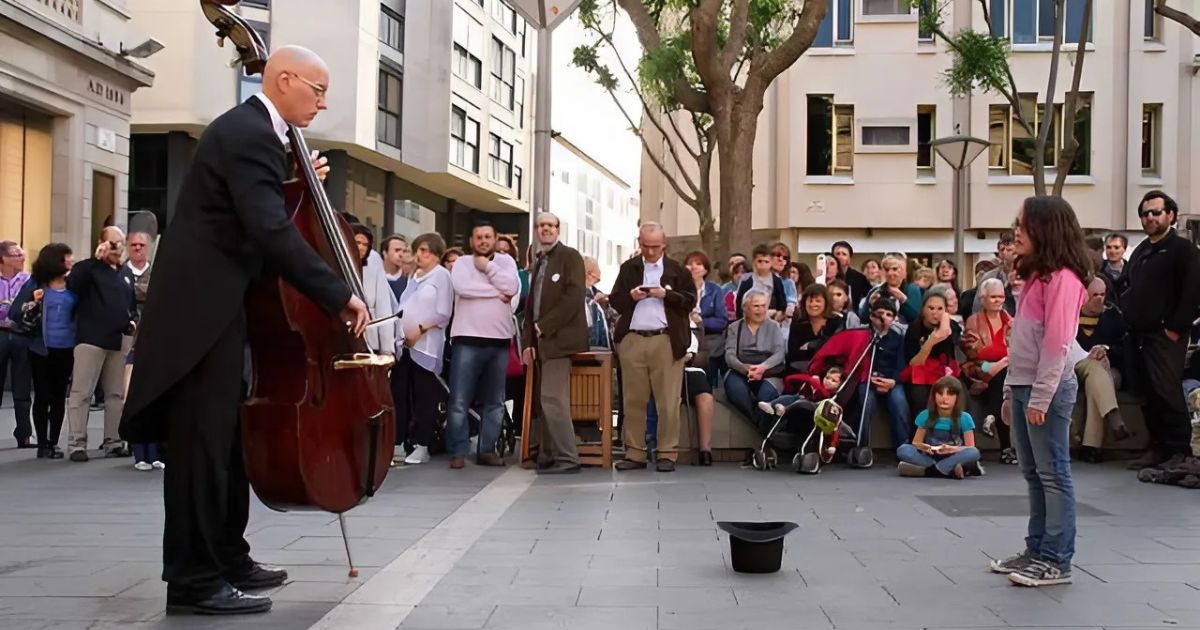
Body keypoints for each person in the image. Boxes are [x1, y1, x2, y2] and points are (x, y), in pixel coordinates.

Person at [119, 47, 372, 615]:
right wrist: (339, 292)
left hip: (219, 313)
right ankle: (193, 580)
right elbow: (270, 231)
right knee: (200, 451)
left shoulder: (258, 137)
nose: (323, 102)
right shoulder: (250, 132)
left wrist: (292, 175)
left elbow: (251, 213)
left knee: (226, 447)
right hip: (199, 318)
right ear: (283, 80)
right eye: (317, 88)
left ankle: (228, 558)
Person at [990, 195, 1090, 588]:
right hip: (1024, 385)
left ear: (1045, 229)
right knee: (1033, 473)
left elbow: (1057, 344)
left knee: (1053, 474)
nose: (1017, 230)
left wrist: (1041, 395)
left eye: (1023, 224)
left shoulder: (1064, 280)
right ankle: (1037, 548)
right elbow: (1023, 342)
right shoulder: (1036, 277)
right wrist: (1010, 390)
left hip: (1046, 389)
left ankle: (1057, 559)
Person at [1119, 191, 1200, 469]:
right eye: (1145, 213)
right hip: (1137, 335)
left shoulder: (1182, 249)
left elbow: (1192, 291)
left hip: (1165, 335)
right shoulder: (1141, 250)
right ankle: (1157, 449)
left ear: (1171, 215)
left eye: (1155, 212)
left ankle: (1178, 451)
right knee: (1146, 393)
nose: (1150, 217)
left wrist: (1175, 328)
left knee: (1167, 391)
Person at [609, 223, 696, 473]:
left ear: (664, 244)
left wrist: (664, 295)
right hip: (633, 338)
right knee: (633, 400)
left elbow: (690, 300)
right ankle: (635, 453)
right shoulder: (630, 268)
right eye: (645, 246)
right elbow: (616, 300)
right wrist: (632, 296)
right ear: (640, 243)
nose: (649, 252)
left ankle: (667, 452)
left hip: (666, 339)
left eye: (655, 247)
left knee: (668, 401)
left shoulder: (677, 270)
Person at [446, 223, 519, 469]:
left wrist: (487, 267)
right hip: (466, 340)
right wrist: (495, 292)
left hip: (499, 342)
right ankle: (458, 450)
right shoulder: (462, 263)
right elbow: (462, 288)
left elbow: (512, 288)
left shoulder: (506, 262)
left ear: (495, 239)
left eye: (488, 236)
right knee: (459, 400)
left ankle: (486, 450)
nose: (483, 241)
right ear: (471, 240)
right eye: (479, 237)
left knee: (495, 401)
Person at [523, 212, 589, 475]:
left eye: (550, 225)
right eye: (541, 226)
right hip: (541, 342)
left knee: (553, 398)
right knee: (544, 399)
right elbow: (531, 306)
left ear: (558, 229)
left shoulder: (569, 257)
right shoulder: (539, 261)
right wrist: (530, 339)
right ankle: (547, 454)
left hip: (560, 340)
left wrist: (544, 326)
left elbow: (573, 297)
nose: (546, 229)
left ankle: (568, 458)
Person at [66, 227, 137, 462]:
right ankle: (77, 443)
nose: (117, 248)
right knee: (82, 392)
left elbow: (131, 303)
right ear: (102, 243)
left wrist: (132, 322)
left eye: (120, 243)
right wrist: (95, 259)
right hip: (91, 339)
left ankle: (113, 441)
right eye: (113, 243)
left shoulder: (124, 273)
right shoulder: (89, 268)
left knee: (115, 394)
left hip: (118, 340)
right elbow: (73, 284)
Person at [8, 243, 75, 459]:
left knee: (58, 397)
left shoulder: (74, 284)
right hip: (41, 348)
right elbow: (14, 311)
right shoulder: (37, 284)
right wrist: (33, 302)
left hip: (67, 348)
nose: (71, 261)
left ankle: (53, 442)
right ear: (56, 261)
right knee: (42, 396)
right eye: (67, 257)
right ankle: (42, 444)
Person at [393, 233, 454, 465]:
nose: (420, 255)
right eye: (417, 250)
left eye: (425, 251)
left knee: (424, 396)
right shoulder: (414, 276)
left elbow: (443, 312)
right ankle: (399, 442)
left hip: (426, 345)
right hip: (405, 345)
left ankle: (423, 444)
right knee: (400, 393)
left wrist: (420, 328)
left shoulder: (442, 276)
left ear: (436, 253)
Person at [1074, 276, 1131, 463]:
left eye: (1102, 294)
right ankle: (1111, 417)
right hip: (1075, 365)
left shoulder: (1113, 316)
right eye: (1094, 295)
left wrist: (1106, 350)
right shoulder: (1070, 315)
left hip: (1108, 367)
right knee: (1095, 369)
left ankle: (1091, 447)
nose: (1099, 299)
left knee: (1096, 378)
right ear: (1083, 296)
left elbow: (1126, 348)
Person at [961, 278, 1015, 464]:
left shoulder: (1011, 322)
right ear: (983, 299)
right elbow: (974, 352)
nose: (998, 300)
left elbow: (1018, 350)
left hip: (1006, 370)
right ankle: (1007, 447)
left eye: (1001, 296)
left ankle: (993, 417)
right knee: (1001, 377)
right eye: (993, 297)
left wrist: (1000, 362)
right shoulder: (973, 321)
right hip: (979, 369)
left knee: (1002, 377)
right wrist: (999, 360)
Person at [723, 289, 786, 435]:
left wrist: (762, 368)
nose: (761, 310)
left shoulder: (774, 326)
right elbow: (730, 355)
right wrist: (745, 369)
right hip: (741, 369)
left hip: (769, 370)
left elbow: (779, 353)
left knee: (765, 395)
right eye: (756, 306)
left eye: (764, 306)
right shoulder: (734, 327)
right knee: (736, 390)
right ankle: (760, 424)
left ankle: (759, 429)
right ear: (745, 307)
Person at [897, 376, 980, 479]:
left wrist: (952, 449)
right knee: (903, 449)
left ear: (957, 397)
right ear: (934, 396)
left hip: (952, 456)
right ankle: (946, 470)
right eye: (940, 394)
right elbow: (916, 442)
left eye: (950, 394)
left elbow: (970, 447)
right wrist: (924, 447)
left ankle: (930, 471)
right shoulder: (925, 415)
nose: (944, 398)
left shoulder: (964, 418)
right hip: (929, 456)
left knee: (974, 453)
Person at [902, 288, 962, 417]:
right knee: (920, 397)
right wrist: (931, 342)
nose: (935, 313)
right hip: (920, 372)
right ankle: (919, 435)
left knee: (960, 396)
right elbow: (913, 363)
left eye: (940, 309)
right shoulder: (914, 329)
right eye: (931, 308)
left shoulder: (952, 326)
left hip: (945, 372)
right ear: (923, 309)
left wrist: (944, 327)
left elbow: (954, 349)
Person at [0, 240, 33, 448]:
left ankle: (24, 434)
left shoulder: (28, 281)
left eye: (22, 254)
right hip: (1, 334)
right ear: (3, 259)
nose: (21, 257)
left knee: (22, 388)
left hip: (22, 335)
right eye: (16, 254)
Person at [351, 224, 398, 355]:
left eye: (365, 244)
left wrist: (387, 348)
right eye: (357, 242)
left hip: (370, 340)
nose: (360, 247)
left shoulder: (374, 262)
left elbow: (383, 307)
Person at [684, 251, 726, 383]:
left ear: (706, 269)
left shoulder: (715, 290)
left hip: (710, 339)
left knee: (708, 362)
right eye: (690, 264)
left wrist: (701, 321)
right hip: (685, 338)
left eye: (698, 264)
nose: (694, 267)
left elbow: (722, 321)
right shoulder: (679, 290)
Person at [786, 284, 842, 373]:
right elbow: (793, 354)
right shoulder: (798, 323)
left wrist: (810, 345)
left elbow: (837, 350)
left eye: (818, 301)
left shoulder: (836, 322)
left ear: (826, 302)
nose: (813, 304)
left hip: (829, 372)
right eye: (810, 301)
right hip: (800, 370)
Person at [736, 244, 787, 320]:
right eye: (760, 261)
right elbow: (739, 302)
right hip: (749, 318)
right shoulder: (747, 281)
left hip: (770, 317)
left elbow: (782, 303)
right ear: (753, 262)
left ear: (771, 262)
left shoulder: (776, 281)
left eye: (766, 261)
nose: (763, 264)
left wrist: (777, 313)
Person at [832, 241, 871, 306]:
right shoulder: (827, 276)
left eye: (844, 254)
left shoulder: (859, 278)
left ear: (849, 258)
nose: (840, 257)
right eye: (837, 254)